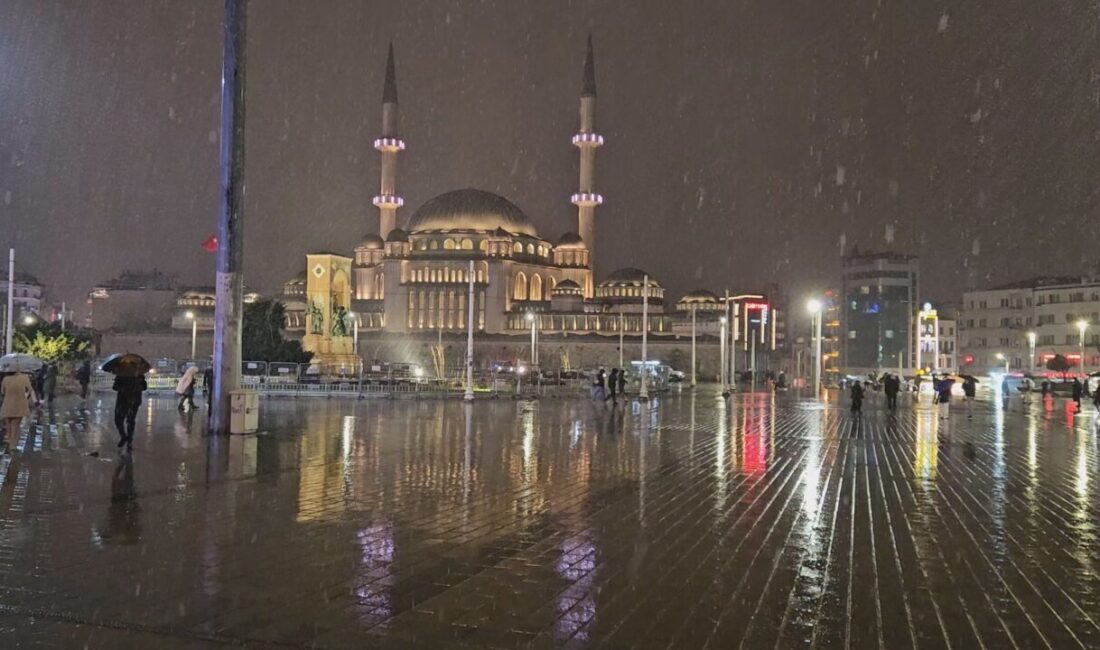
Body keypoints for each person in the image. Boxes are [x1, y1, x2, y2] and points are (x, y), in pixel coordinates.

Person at [1, 371, 38, 454]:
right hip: (19, 404)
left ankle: (10, 441)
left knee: (9, 425)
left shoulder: (6, 379)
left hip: (7, 404)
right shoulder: (24, 378)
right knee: (15, 425)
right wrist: (35, 401)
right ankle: (12, 446)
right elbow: (30, 390)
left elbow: (2, 392)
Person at [112, 373, 147, 450]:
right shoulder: (122, 374)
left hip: (132, 401)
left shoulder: (138, 374)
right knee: (121, 420)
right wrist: (124, 389)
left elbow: (144, 387)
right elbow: (115, 387)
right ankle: (125, 437)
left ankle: (128, 440)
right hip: (124, 401)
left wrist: (137, 386)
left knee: (129, 420)